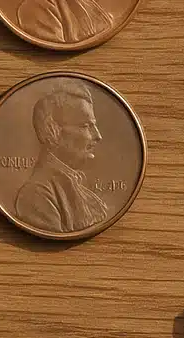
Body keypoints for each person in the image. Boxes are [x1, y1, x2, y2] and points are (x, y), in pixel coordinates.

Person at [14, 79, 112, 233]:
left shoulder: (80, 190)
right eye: (85, 126)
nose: (97, 136)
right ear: (53, 131)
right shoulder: (36, 195)